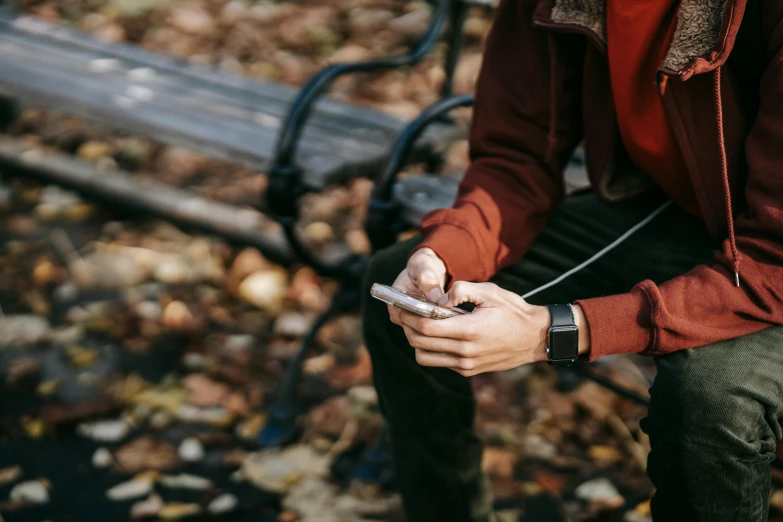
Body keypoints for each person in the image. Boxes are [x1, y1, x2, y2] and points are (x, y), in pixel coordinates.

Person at [361, 0, 783, 520]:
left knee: (710, 402)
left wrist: (553, 330)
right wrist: (445, 250)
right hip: (676, 209)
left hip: (770, 259)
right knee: (396, 287)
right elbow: (517, 157)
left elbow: (776, 262)